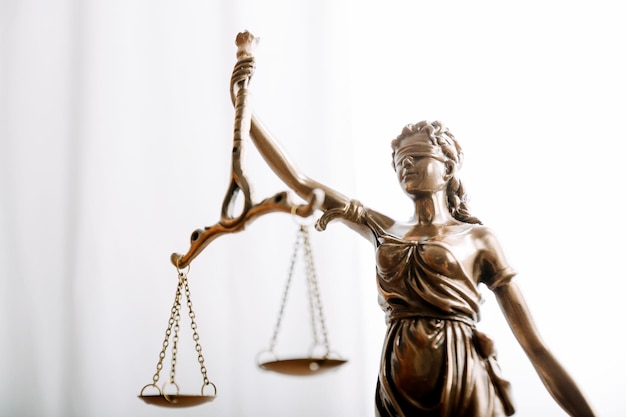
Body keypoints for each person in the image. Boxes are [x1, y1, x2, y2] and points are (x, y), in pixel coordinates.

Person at [247, 115, 595, 416]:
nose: (405, 166)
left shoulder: (478, 239)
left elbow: (535, 347)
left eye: (416, 157)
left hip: (458, 372)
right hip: (397, 374)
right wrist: (244, 108)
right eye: (399, 161)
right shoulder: (381, 227)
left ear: (448, 166)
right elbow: (300, 182)